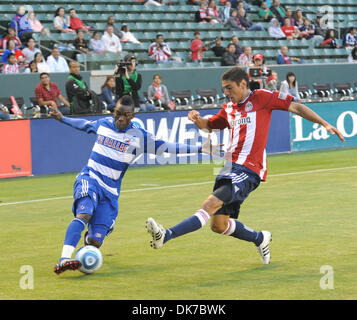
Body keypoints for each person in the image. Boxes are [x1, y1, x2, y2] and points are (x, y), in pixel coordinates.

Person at [146, 66, 345, 265]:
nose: (226, 93)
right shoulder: (229, 108)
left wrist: (323, 123)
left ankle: (166, 235)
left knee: (209, 204)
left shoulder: (262, 97)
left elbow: (296, 106)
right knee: (219, 225)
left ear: (243, 84)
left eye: (229, 88)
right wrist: (198, 120)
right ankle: (260, 238)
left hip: (249, 168)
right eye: (224, 89)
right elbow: (209, 125)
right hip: (229, 168)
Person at [50, 94, 215, 274]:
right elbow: (84, 125)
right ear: (114, 111)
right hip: (90, 177)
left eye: (125, 115)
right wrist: (62, 118)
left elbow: (168, 147)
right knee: (85, 212)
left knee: (94, 242)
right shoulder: (103, 124)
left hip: (110, 192)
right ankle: (64, 259)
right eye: (118, 113)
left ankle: (90, 242)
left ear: (132, 116)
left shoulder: (140, 137)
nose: (120, 118)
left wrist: (200, 148)